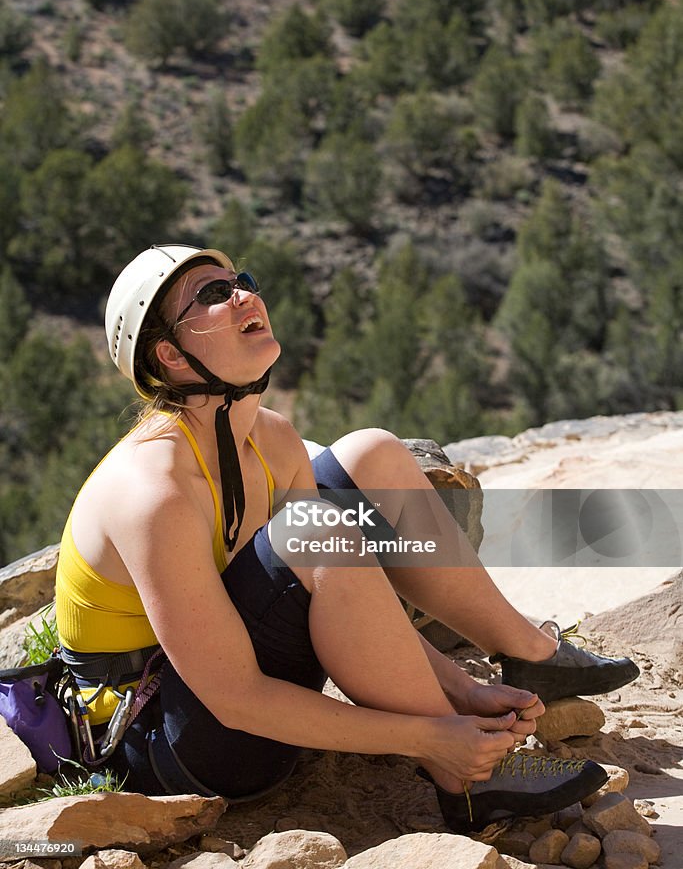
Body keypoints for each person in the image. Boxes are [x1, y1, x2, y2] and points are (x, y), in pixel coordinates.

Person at [55, 244, 640, 833]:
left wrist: (461, 688)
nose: (245, 294)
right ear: (170, 356)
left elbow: (345, 588)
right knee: (317, 529)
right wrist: (434, 736)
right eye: (212, 294)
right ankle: (467, 774)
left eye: (241, 281)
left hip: (223, 688)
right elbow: (235, 697)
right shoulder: (153, 493)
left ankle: (530, 658)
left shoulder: (271, 438)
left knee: (371, 455)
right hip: (177, 745)